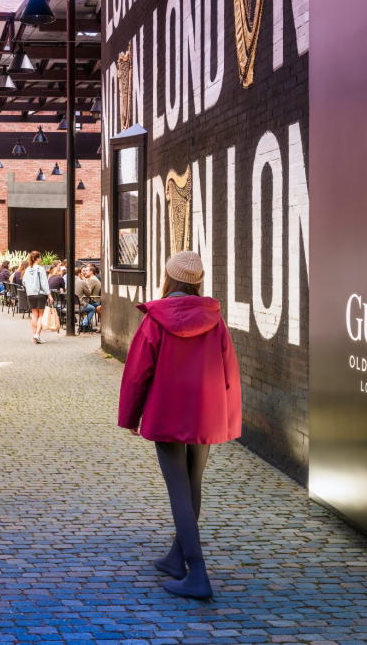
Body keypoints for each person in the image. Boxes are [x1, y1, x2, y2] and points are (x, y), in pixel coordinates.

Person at [118, 250, 241, 601]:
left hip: (167, 410)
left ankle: (197, 572)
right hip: (205, 411)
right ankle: (177, 557)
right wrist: (228, 416)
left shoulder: (156, 319)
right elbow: (229, 369)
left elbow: (138, 371)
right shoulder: (214, 319)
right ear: (197, 282)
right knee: (193, 484)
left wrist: (130, 415)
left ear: (169, 279)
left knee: (178, 489)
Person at [22, 251, 50, 343]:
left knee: (34, 315)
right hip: (40, 293)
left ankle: (35, 334)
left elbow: (24, 282)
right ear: (37, 258)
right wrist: (49, 294)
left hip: (30, 294)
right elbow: (44, 283)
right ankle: (37, 334)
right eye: (40, 257)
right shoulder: (40, 269)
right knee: (41, 315)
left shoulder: (27, 269)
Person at [77, 264, 103, 332]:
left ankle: (84, 325)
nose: (85, 272)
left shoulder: (92, 280)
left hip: (94, 301)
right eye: (84, 270)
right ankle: (84, 325)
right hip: (90, 300)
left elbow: (87, 292)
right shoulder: (91, 279)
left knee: (82, 306)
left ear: (91, 272)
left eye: (87, 271)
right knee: (81, 306)